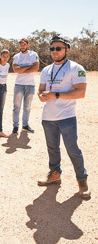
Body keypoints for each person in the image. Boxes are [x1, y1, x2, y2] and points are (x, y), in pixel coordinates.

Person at [37, 34, 90, 198]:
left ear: (66, 49)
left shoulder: (76, 68)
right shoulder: (46, 69)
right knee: (52, 149)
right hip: (48, 117)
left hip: (66, 116)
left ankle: (82, 180)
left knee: (73, 150)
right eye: (52, 48)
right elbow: (40, 89)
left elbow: (81, 93)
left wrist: (56, 95)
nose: (54, 51)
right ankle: (55, 174)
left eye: (58, 48)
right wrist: (41, 95)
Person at [12, 38, 39, 134]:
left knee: (27, 106)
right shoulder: (16, 56)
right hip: (19, 84)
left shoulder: (33, 54)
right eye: (20, 44)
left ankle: (25, 125)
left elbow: (36, 67)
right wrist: (28, 66)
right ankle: (15, 126)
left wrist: (22, 69)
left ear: (27, 45)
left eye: (24, 44)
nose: (22, 46)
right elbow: (16, 70)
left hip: (30, 84)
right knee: (16, 106)